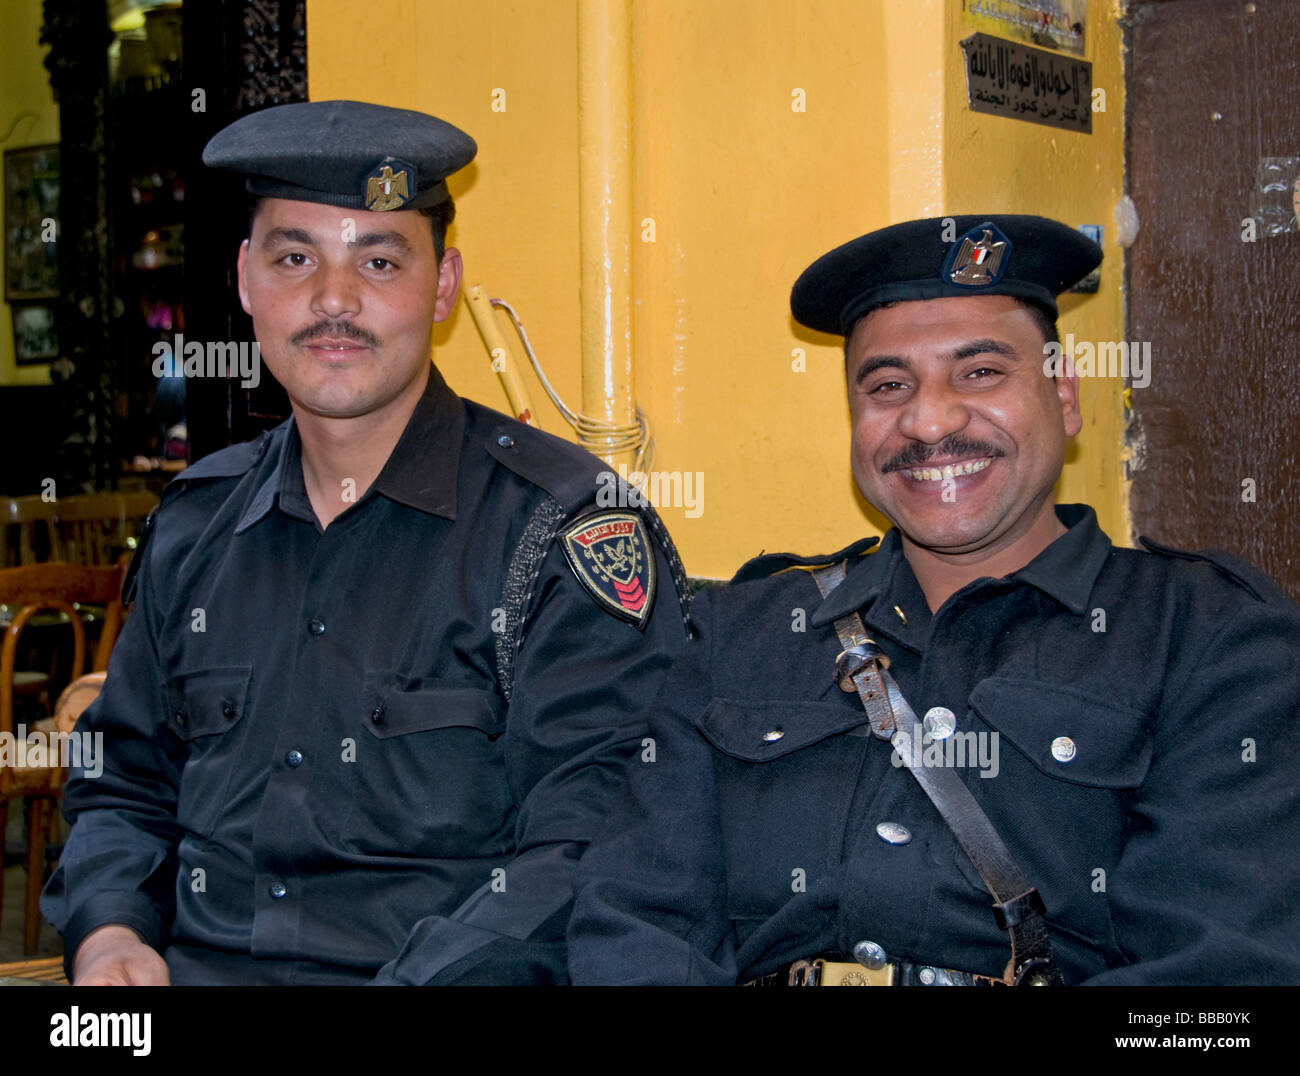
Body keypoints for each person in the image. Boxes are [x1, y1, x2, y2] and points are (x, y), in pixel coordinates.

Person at [41, 100, 691, 985]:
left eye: (379, 260)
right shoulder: (197, 525)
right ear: (245, 280)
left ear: (444, 284)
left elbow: (595, 839)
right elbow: (122, 784)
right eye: (295, 257)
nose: (333, 300)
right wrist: (110, 932)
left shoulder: (559, 529)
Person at [567, 214, 1300, 985]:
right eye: (888, 386)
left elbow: (1221, 987)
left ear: (1064, 396)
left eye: (980, 373)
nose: (929, 420)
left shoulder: (1212, 638)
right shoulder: (742, 631)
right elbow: (634, 922)